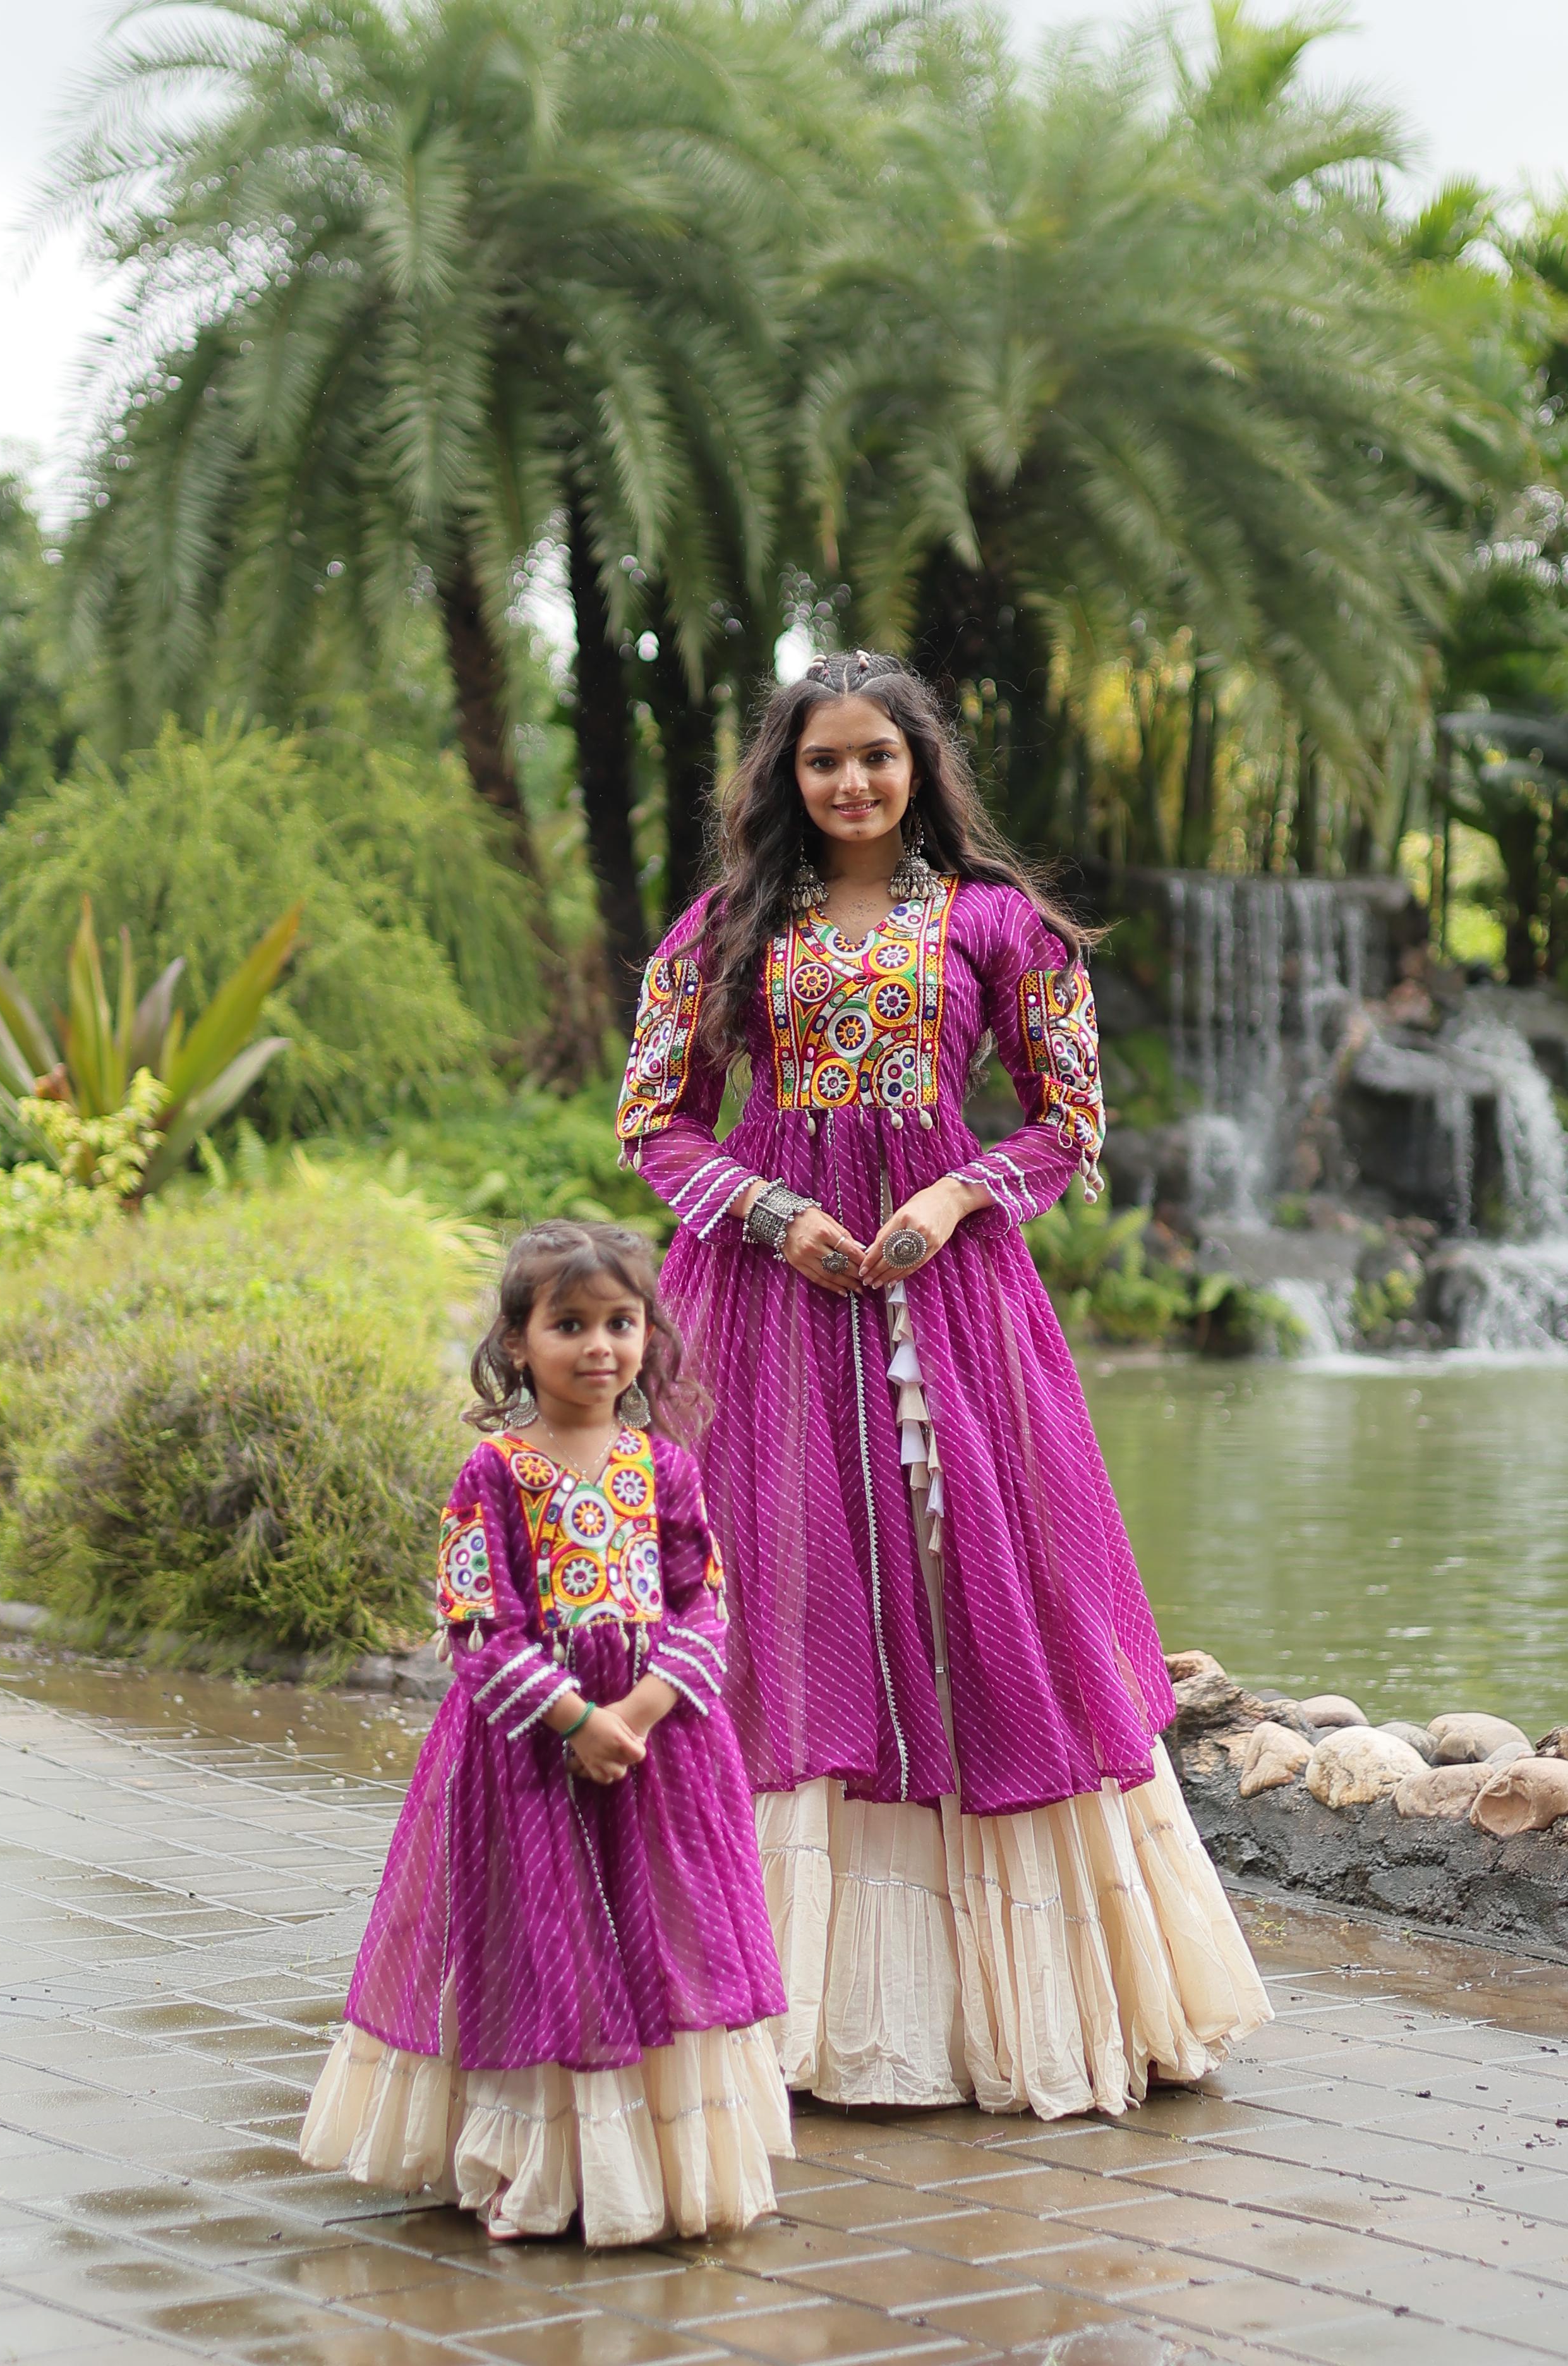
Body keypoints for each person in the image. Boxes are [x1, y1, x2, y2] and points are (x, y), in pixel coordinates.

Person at [615, 650, 1270, 2118]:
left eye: (878, 758)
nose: (851, 783)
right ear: (787, 778)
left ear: (921, 770)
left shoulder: (1000, 926)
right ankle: (753, 1994)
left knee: (978, 1583)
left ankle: (998, 2012)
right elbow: (651, 1123)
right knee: (780, 1597)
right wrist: (778, 1217)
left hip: (951, 1299)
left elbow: (1069, 1119)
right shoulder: (721, 931)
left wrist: (957, 1202)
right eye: (823, 760)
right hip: (765, 1308)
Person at [299, 1220, 790, 2245]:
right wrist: (573, 1719)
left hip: (660, 1746)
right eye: (569, 1324)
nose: (601, 1347)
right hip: (528, 1751)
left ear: (650, 1335)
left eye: (621, 1322)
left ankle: (654, 2162)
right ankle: (544, 2161)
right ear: (518, 1343)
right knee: (545, 1936)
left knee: (659, 1935)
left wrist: (639, 1713)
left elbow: (709, 1605)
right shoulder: (494, 1475)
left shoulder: (667, 1468)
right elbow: (478, 1625)